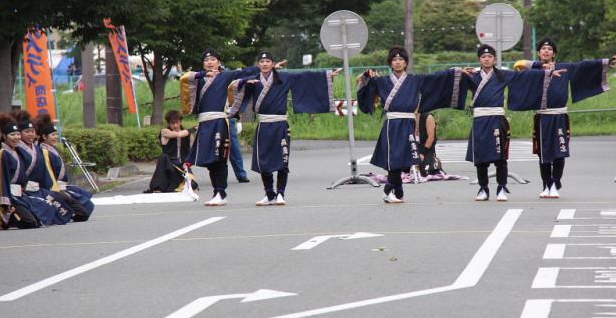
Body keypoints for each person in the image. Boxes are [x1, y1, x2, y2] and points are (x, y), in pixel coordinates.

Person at [357, 46, 466, 204]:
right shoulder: (382, 82)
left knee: (405, 161)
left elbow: (435, 78)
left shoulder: (416, 80)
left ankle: (390, 190)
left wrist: (454, 72)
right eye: (394, 60)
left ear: (406, 62)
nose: (398, 62)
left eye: (401, 59)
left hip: (408, 122)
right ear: (390, 63)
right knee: (394, 160)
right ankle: (396, 192)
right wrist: (366, 75)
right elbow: (364, 86)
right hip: (392, 125)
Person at [515, 37, 616, 199]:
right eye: (543, 49)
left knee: (559, 151)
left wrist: (606, 62)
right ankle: (546, 185)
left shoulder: (564, 68)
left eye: (549, 49)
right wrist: (541, 66)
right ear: (538, 52)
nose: (546, 51)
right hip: (543, 117)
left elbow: (584, 66)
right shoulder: (533, 70)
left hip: (559, 116)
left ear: (554, 53)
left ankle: (555, 183)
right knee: (544, 154)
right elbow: (518, 64)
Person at [230, 51, 339, 206]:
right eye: (262, 62)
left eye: (268, 61)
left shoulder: (284, 77)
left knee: (282, 159)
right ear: (258, 65)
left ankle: (281, 193)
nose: (265, 64)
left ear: (273, 63)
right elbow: (235, 83)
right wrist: (243, 83)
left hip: (280, 124)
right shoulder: (253, 79)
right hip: (263, 125)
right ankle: (269, 194)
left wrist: (327, 75)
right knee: (263, 161)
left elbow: (305, 77)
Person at [181, 49, 277, 206]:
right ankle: (217, 192)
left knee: (219, 158)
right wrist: (202, 75)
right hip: (205, 122)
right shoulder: (198, 78)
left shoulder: (226, 76)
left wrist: (267, 67)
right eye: (206, 60)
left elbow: (246, 72)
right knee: (209, 160)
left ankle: (221, 192)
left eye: (213, 59)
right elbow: (185, 78)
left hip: (219, 121)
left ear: (219, 62)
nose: (209, 62)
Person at [462, 43, 556, 202]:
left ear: (494, 58)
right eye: (484, 57)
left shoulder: (502, 75)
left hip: (497, 119)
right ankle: (483, 189)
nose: (487, 59)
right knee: (480, 159)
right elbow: (452, 80)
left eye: (490, 56)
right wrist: (458, 71)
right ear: (479, 59)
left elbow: (524, 76)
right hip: (479, 120)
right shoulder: (472, 75)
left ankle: (501, 188)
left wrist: (544, 69)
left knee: (500, 158)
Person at [12, 110, 72, 225]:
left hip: (38, 188)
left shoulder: (38, 150)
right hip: (22, 191)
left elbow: (45, 174)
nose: (30, 134)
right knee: (34, 219)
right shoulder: (14, 151)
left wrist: (51, 187)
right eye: (26, 132)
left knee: (70, 205)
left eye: (32, 131)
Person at [0, 115, 48, 230]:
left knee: (40, 219)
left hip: (20, 194)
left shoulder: (16, 152)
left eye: (17, 134)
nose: (16, 137)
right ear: (4, 136)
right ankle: (9, 219)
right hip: (10, 196)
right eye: (12, 135)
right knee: (30, 222)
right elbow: (2, 179)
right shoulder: (3, 154)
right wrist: (5, 202)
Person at [35, 113, 95, 221]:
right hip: (51, 188)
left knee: (83, 198)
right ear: (44, 137)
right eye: (53, 135)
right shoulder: (43, 152)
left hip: (60, 185)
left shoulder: (52, 150)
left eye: (56, 134)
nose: (55, 137)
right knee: (82, 213)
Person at [144, 110, 195, 193]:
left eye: (177, 123)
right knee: (163, 157)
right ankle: (158, 186)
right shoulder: (165, 131)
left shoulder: (188, 135)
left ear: (181, 122)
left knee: (192, 185)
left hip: (182, 166)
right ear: (168, 123)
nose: (175, 125)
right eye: (172, 123)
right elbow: (177, 134)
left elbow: (192, 149)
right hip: (169, 165)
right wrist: (193, 129)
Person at [417, 111, 442, 177]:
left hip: (426, 149)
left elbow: (431, 137)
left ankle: (434, 160)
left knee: (424, 171)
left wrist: (422, 153)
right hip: (413, 147)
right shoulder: (408, 117)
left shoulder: (428, 117)